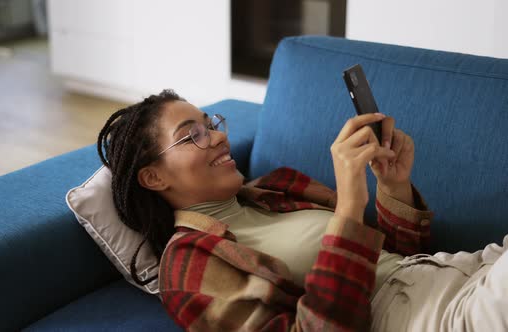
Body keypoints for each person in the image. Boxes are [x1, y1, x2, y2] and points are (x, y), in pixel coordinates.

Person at [97, 90, 507, 331]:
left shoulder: (278, 188)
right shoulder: (189, 266)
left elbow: (392, 257)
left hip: (465, 271)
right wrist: (349, 208)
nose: (220, 137)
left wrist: (392, 185)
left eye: (212, 123)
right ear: (153, 178)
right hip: (434, 319)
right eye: (193, 137)